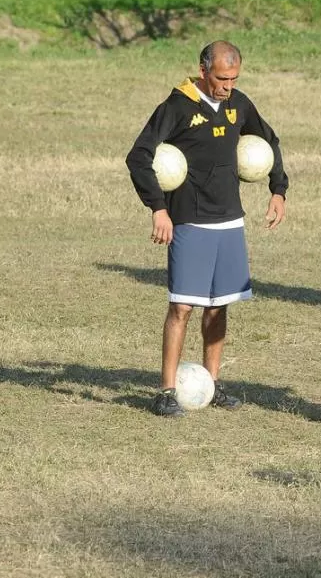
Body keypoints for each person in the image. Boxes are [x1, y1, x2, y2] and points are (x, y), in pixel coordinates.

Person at [126, 41, 289, 417]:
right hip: (190, 221)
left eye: (233, 78)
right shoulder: (177, 107)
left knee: (219, 307)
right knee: (182, 306)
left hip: (230, 221)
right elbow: (138, 157)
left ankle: (211, 384)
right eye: (220, 78)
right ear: (203, 71)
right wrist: (158, 208)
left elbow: (270, 140)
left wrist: (278, 189)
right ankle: (166, 391)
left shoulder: (238, 104)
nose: (227, 86)